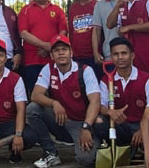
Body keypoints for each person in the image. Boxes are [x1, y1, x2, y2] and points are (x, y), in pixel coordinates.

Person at [27, 35, 101, 168]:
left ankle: (96, 141)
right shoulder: (48, 69)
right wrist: (54, 103)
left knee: (85, 160)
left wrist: (86, 127)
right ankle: (51, 153)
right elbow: (35, 95)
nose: (61, 53)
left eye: (64, 49)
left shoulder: (85, 71)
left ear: (71, 52)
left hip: (81, 123)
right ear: (51, 55)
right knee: (33, 109)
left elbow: (95, 102)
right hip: (60, 119)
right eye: (56, 50)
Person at [95, 38, 149, 152]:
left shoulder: (147, 80)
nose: (120, 57)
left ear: (132, 56)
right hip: (120, 126)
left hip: (142, 125)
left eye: (124, 53)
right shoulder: (106, 80)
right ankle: (122, 148)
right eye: (116, 54)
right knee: (99, 122)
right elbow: (99, 106)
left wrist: (142, 130)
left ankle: (133, 149)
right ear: (111, 57)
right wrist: (110, 112)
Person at [19, 0, 68, 96]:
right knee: (36, 94)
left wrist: (51, 48)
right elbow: (23, 33)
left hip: (53, 60)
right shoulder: (25, 10)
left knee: (56, 93)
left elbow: (63, 32)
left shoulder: (57, 10)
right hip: (32, 60)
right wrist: (45, 45)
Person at [68, 0, 100, 78]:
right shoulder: (73, 7)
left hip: (94, 55)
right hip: (77, 56)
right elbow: (71, 31)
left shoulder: (97, 5)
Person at [92, 0, 121, 66]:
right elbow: (96, 31)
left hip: (131, 53)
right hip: (110, 54)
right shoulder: (100, 5)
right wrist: (96, 53)